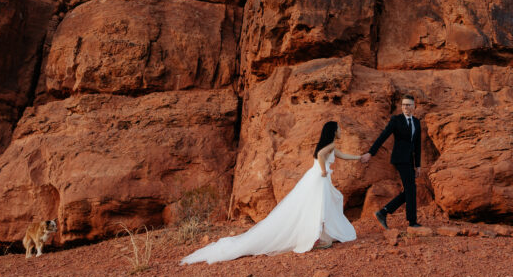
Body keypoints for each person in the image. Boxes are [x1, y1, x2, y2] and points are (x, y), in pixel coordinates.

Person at [180, 121, 361, 264]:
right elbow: (321, 156)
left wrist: (360, 157)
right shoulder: (327, 146)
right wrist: (322, 170)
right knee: (319, 206)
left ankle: (319, 236)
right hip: (318, 178)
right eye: (338, 129)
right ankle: (316, 237)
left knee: (320, 205)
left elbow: (341, 155)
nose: (340, 131)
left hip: (316, 177)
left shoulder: (331, 146)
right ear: (332, 131)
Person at [361, 94, 422, 228]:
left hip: (410, 160)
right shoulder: (396, 120)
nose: (405, 107)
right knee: (411, 189)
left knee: (410, 190)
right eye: (403, 105)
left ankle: (384, 212)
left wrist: (418, 165)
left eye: (408, 104)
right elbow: (383, 136)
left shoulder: (417, 122)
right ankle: (412, 222)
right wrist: (371, 153)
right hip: (400, 158)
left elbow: (417, 145)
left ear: (414, 106)